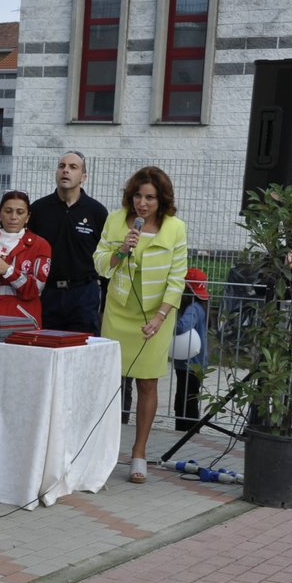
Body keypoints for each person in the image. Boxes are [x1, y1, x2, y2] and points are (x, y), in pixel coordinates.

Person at [94, 165, 189, 484]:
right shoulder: (116, 220)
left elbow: (177, 279)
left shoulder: (175, 228)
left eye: (149, 197)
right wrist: (121, 250)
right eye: (137, 196)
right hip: (119, 310)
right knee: (111, 381)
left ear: (162, 200)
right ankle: (104, 450)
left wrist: (161, 317)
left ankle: (139, 453)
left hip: (155, 316)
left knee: (147, 382)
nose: (142, 203)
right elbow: (100, 264)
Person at [28, 151, 108, 332]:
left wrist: (103, 308)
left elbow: (105, 259)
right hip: (47, 294)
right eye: (61, 166)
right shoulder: (39, 209)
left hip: (84, 295)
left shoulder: (96, 212)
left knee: (81, 352)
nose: (66, 171)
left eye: (73, 167)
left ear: (83, 177)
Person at [0, 189, 52, 324]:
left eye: (20, 212)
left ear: (27, 217)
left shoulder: (40, 245)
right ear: (0, 214)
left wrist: (7, 271)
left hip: (24, 322)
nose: (13, 217)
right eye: (8, 211)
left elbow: (34, 290)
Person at [171, 268, 210, 431]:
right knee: (184, 397)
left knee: (188, 399)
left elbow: (182, 327)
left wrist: (165, 324)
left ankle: (189, 432)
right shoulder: (199, 306)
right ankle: (182, 430)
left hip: (190, 362)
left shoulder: (193, 308)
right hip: (190, 362)